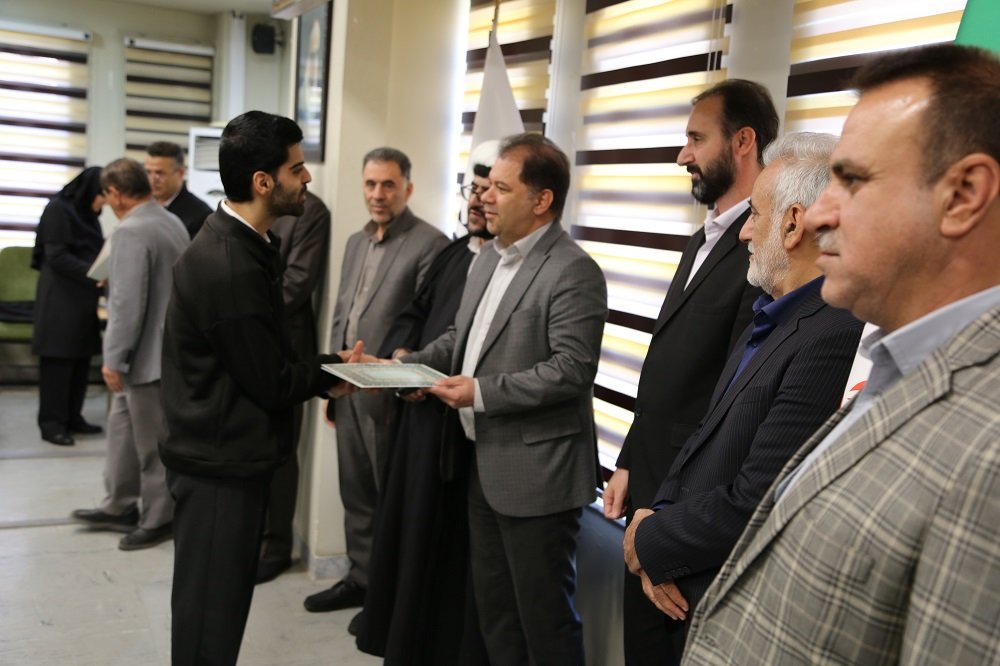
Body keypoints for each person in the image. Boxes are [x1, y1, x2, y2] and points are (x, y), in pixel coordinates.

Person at [682, 44, 1000, 665]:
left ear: (963, 194)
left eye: (851, 180)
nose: (820, 214)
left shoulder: (988, 446)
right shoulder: (900, 365)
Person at [621, 133, 863, 663]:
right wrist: (654, 515)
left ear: (793, 224)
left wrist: (650, 540)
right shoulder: (770, 313)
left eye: (754, 214)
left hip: (716, 601)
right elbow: (702, 442)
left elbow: (762, 496)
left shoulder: (833, 334)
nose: (745, 232)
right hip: (679, 576)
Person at [159, 111, 358, 666]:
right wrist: (335, 374)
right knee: (208, 623)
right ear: (263, 181)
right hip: (217, 468)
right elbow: (270, 381)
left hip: (225, 458)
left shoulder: (245, 244)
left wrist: (331, 366)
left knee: (218, 615)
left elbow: (264, 360)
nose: (308, 177)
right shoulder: (229, 265)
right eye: (297, 168)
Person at [402, 133, 608, 664]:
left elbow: (571, 370)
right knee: (496, 615)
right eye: (485, 186)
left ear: (542, 200)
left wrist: (481, 392)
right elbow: (463, 338)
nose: (484, 197)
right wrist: (404, 367)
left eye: (500, 187)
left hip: (539, 476)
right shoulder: (487, 259)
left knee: (545, 623)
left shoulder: (573, 269)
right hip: (484, 465)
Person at [602, 79, 777, 664]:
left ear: (743, 142)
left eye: (697, 139)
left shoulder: (762, 252)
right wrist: (630, 458)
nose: (683, 155)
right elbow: (668, 370)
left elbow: (733, 402)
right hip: (648, 484)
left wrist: (673, 526)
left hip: (686, 509)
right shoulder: (700, 240)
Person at [356, 141, 500, 663]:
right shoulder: (455, 253)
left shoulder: (507, 265)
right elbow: (414, 313)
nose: (478, 201)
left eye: (491, 190)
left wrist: (427, 370)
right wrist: (402, 355)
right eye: (474, 190)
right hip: (418, 416)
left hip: (458, 429)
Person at [304, 148, 447, 613]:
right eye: (370, 184)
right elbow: (342, 316)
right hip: (348, 388)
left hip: (393, 395)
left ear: (408, 188)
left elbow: (430, 325)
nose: (378, 194)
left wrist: (402, 374)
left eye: (388, 184)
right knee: (356, 492)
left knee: (392, 501)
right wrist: (330, 383)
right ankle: (361, 580)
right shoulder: (355, 241)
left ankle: (390, 600)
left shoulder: (430, 244)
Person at [69, 158, 189, 548]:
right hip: (161, 349)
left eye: (106, 195)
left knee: (151, 445)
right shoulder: (169, 220)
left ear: (117, 194)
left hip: (146, 356)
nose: (106, 202)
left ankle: (158, 518)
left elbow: (126, 303)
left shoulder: (131, 231)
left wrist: (112, 359)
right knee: (122, 430)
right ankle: (118, 503)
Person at [256, 190, 331, 584]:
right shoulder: (251, 204)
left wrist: (246, 309)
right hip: (250, 343)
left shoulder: (311, 211)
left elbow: (297, 283)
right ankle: (253, 536)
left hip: (286, 347)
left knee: (281, 449)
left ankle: (276, 546)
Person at [30, 166, 106, 446]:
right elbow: (57, 255)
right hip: (60, 298)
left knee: (80, 360)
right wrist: (94, 273)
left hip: (82, 298)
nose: (105, 202)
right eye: (102, 194)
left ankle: (73, 417)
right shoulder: (58, 209)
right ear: (90, 190)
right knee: (58, 363)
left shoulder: (86, 214)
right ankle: (52, 424)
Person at [145, 140, 212, 239]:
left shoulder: (200, 215)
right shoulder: (141, 206)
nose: (153, 179)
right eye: (148, 172)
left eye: (160, 173)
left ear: (180, 173)